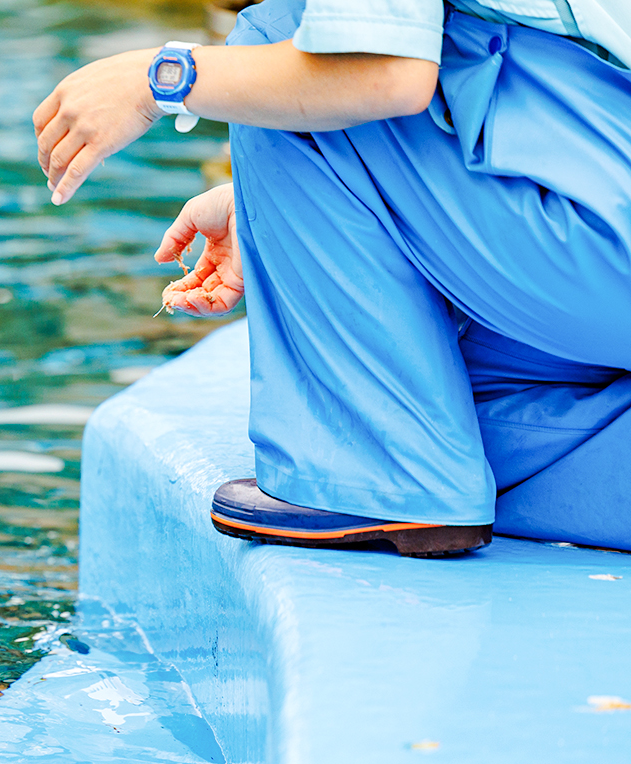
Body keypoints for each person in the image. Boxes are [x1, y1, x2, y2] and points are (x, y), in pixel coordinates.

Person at [34, 0, 631, 556]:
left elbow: (384, 73)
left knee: (277, 35)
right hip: (594, 215)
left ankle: (372, 480)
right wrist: (270, 202)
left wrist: (160, 80)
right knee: (452, 417)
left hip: (603, 239)